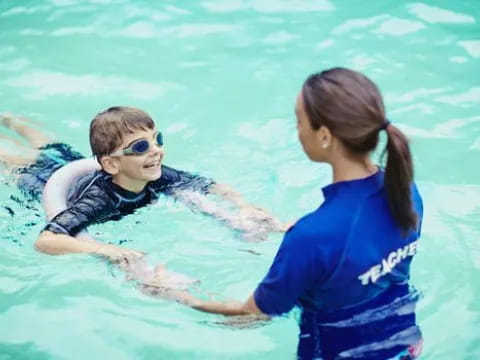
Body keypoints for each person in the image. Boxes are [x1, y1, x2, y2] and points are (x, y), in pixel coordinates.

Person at [177, 68, 424, 360]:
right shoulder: (405, 190)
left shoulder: (312, 237)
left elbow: (251, 316)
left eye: (299, 122)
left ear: (324, 135)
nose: (298, 131)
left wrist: (178, 296)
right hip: (406, 346)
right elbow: (361, 253)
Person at [0, 108, 284, 266]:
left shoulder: (156, 174)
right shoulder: (99, 200)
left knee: (51, 146)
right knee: (19, 162)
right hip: (45, 181)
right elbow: (46, 240)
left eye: (157, 139)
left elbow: (210, 186)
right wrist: (105, 250)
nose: (156, 150)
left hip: (75, 165)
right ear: (112, 165)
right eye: (140, 146)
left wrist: (243, 206)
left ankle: (10, 119)